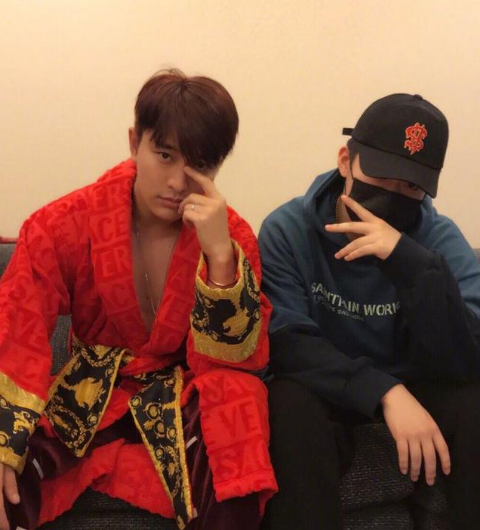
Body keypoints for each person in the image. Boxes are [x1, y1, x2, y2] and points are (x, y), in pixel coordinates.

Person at [0, 69, 277, 530]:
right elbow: (17, 324)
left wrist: (220, 260)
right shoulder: (67, 221)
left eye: (199, 165)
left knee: (238, 398)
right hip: (91, 392)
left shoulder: (231, 237)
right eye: (164, 155)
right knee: (12, 461)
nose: (177, 182)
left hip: (181, 394)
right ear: (135, 142)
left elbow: (234, 362)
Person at [258, 93, 480, 530]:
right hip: (329, 390)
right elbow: (286, 343)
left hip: (420, 385)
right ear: (345, 161)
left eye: (411, 187)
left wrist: (409, 263)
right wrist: (385, 391)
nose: (394, 196)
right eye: (382, 176)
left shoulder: (439, 240)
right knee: (286, 402)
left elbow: (469, 355)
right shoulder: (287, 230)